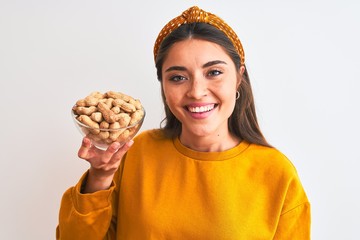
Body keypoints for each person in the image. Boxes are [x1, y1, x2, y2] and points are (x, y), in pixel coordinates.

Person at [56, 6, 311, 239]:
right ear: (164, 86)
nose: (197, 91)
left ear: (239, 78)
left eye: (214, 72)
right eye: (178, 77)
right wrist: (99, 178)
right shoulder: (134, 154)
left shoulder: (277, 173)